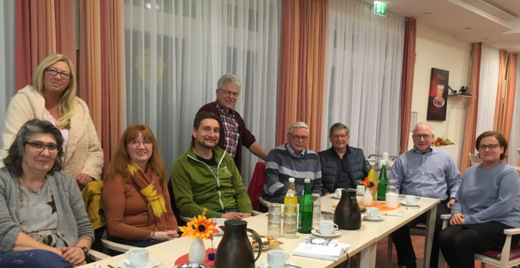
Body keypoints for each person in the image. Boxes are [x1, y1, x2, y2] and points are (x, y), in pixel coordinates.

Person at [0, 119, 94, 268]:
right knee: (44, 259)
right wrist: (58, 255)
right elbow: (4, 234)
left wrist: (80, 250)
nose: (45, 152)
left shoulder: (66, 182)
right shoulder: (2, 181)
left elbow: (85, 229)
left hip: (65, 261)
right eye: (37, 145)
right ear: (21, 147)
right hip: (15, 259)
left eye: (51, 147)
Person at [0, 54, 103, 188]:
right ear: (42, 73)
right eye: (52, 71)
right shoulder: (23, 101)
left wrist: (89, 172)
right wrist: (8, 182)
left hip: (73, 188)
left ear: (70, 81)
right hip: (32, 186)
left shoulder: (79, 107)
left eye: (64, 74)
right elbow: (12, 144)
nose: (58, 77)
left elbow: (95, 150)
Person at [439, 131, 520, 267]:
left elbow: (503, 207)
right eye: (483, 146)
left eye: (492, 146)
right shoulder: (470, 172)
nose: (487, 149)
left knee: (462, 239)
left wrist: (469, 219)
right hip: (474, 223)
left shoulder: (508, 173)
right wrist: (456, 213)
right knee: (444, 236)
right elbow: (459, 198)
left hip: (503, 224)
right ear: (478, 150)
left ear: (502, 149)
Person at [388, 122, 461, 268]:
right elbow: (393, 184)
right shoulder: (402, 159)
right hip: (409, 203)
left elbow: (456, 181)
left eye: (425, 136)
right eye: (418, 136)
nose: (422, 139)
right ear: (413, 138)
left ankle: (432, 264)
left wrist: (453, 198)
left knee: (440, 228)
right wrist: (393, 201)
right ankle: (409, 264)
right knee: (396, 225)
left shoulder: (445, 158)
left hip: (437, 203)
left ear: (432, 137)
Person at [102, 124, 179, 247]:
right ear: (125, 148)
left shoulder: (157, 175)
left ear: (153, 147)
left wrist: (172, 232)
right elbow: (114, 227)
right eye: (135, 142)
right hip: (131, 244)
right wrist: (153, 235)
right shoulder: (116, 179)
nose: (142, 147)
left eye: (147, 142)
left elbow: (169, 214)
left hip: (161, 237)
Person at [171, 111, 252, 219]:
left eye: (216, 130)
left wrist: (246, 213)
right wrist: (220, 216)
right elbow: (185, 206)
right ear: (195, 132)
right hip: (208, 220)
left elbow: (240, 191)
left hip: (235, 215)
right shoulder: (182, 164)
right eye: (206, 129)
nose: (212, 135)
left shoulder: (226, 158)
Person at [197, 73, 267, 172]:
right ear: (218, 92)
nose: (231, 97)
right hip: (207, 170)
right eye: (227, 92)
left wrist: (269, 159)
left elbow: (250, 142)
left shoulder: (236, 118)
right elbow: (200, 141)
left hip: (228, 173)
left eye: (235, 94)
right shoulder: (207, 111)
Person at [262, 121, 322, 203]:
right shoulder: (275, 154)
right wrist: (300, 198)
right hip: (279, 200)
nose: (300, 140)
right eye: (296, 137)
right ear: (288, 137)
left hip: (305, 201)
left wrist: (314, 199)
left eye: (304, 138)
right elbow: (273, 186)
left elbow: (317, 186)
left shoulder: (314, 157)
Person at [318, 123, 368, 195]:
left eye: (342, 136)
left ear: (347, 137)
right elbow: (317, 182)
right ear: (330, 138)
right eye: (336, 136)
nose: (339, 139)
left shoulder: (358, 154)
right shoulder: (321, 157)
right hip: (332, 196)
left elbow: (367, 178)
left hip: (356, 195)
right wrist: (325, 192)